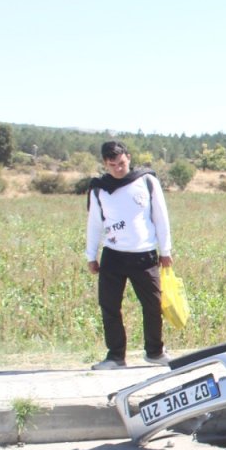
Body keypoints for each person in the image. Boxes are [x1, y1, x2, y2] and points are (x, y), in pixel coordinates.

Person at [85, 140, 173, 369]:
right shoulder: (99, 189)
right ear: (105, 164)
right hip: (113, 255)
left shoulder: (146, 181)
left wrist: (166, 251)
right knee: (109, 306)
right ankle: (115, 356)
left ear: (129, 158)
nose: (118, 168)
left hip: (144, 255)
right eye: (112, 164)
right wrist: (90, 255)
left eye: (122, 163)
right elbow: (94, 223)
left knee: (153, 305)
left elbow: (161, 217)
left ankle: (154, 352)